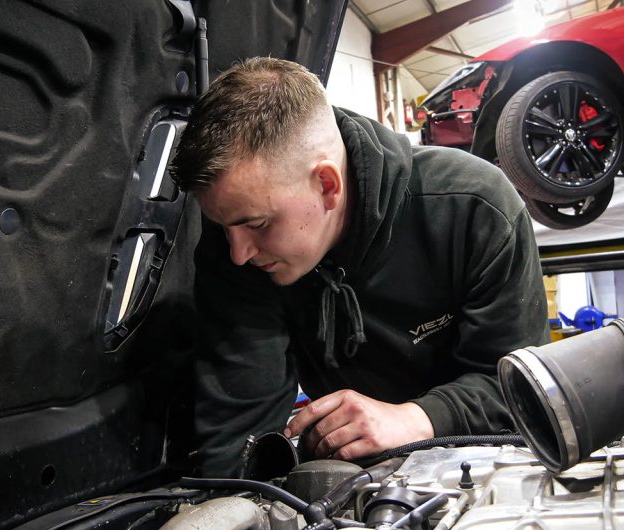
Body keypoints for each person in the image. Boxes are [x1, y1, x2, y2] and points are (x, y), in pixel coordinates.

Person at [171, 57, 548, 477]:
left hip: (485, 470)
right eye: (225, 228)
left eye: (257, 224)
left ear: (327, 185)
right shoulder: (237, 243)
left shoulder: (476, 210)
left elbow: (523, 385)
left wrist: (416, 419)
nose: (238, 252)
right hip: (353, 487)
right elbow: (239, 419)